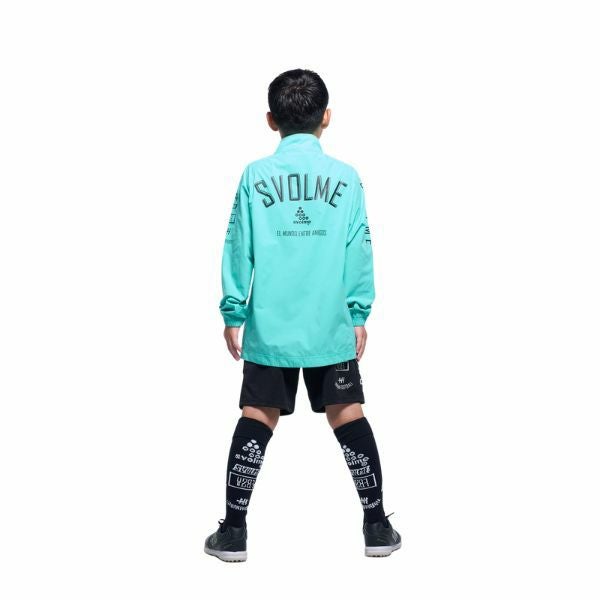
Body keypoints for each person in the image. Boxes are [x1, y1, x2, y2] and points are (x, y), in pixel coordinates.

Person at [204, 68, 401, 562]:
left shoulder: (255, 176)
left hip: (270, 328)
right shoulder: (346, 178)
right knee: (347, 412)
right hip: (329, 325)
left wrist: (233, 312)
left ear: (271, 120)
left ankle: (234, 532)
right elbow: (360, 250)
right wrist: (357, 313)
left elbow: (238, 247)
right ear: (326, 118)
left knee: (257, 415)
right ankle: (377, 526)